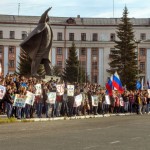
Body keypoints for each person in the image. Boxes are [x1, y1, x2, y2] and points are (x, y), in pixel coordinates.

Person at [20, 7, 53, 76]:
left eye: (47, 16)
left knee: (46, 59)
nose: (47, 17)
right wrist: (46, 12)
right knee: (37, 58)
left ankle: (49, 73)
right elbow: (42, 18)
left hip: (47, 48)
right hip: (41, 46)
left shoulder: (48, 26)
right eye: (46, 16)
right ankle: (33, 72)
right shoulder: (42, 23)